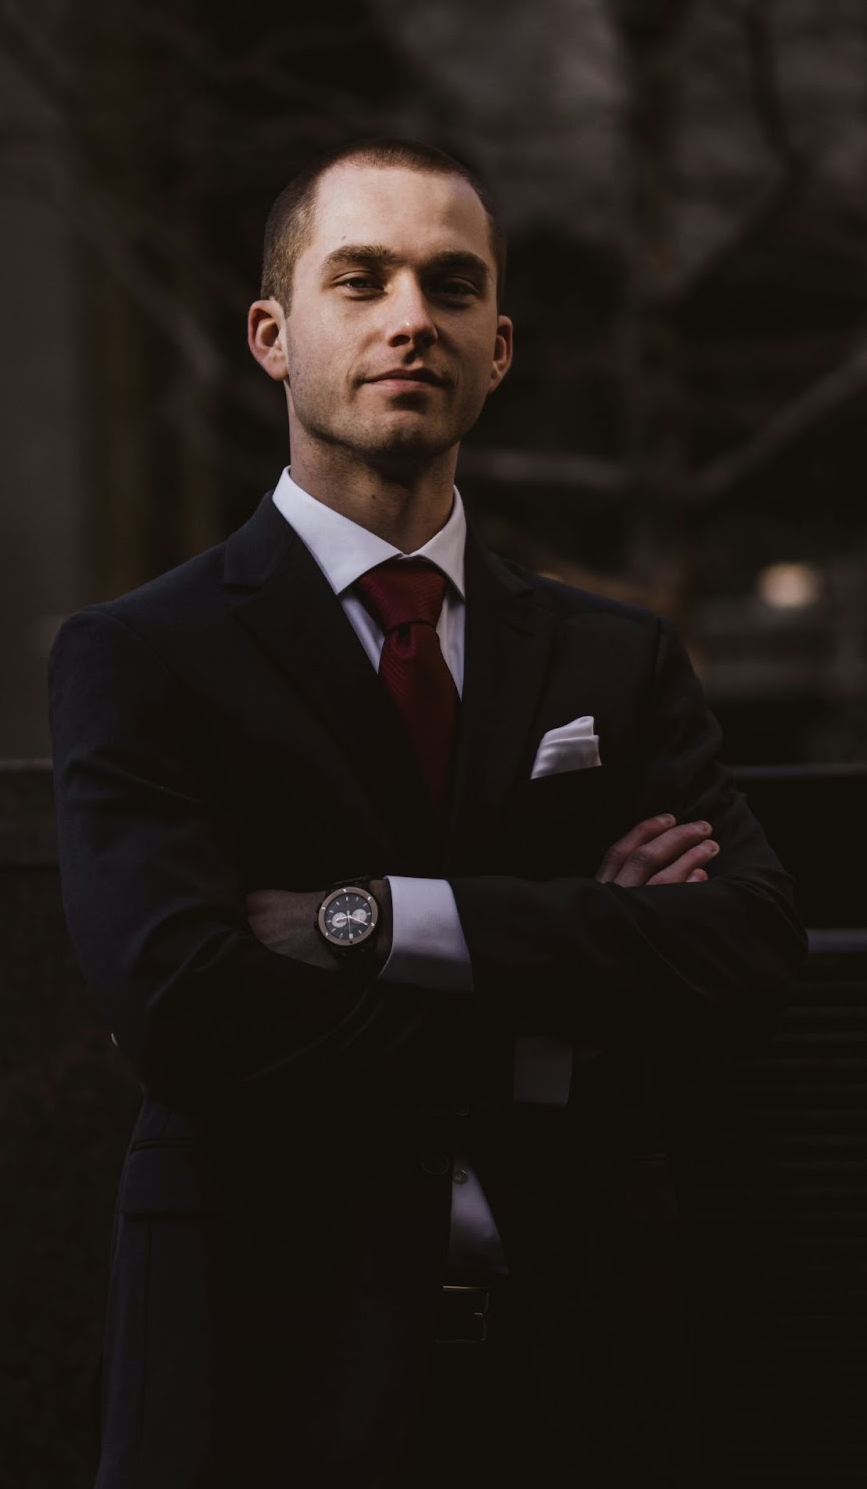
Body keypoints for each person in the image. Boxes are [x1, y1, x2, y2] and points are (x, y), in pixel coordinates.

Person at [48, 138, 805, 1488]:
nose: (413, 318)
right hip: (267, 1375)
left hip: (581, 1377)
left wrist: (374, 922)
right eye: (363, 279)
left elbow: (743, 952)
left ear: (498, 348)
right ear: (273, 335)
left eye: (451, 288)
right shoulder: (143, 655)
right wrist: (567, 1000)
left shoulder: (610, 659)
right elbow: (183, 1009)